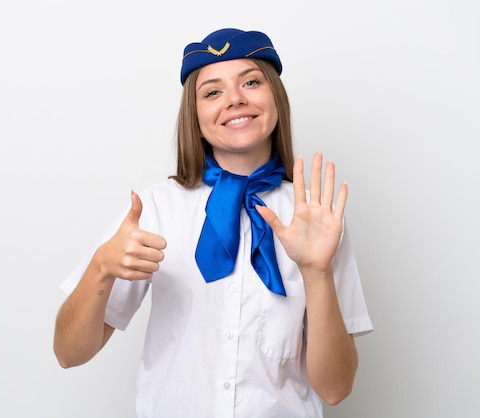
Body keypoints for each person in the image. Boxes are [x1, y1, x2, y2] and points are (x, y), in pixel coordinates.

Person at [53, 28, 373, 417]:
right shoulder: (155, 210)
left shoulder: (315, 219)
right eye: (212, 92)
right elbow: (69, 354)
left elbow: (336, 389)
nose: (235, 100)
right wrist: (101, 269)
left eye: (251, 82)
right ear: (196, 115)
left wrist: (316, 272)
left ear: (276, 96)